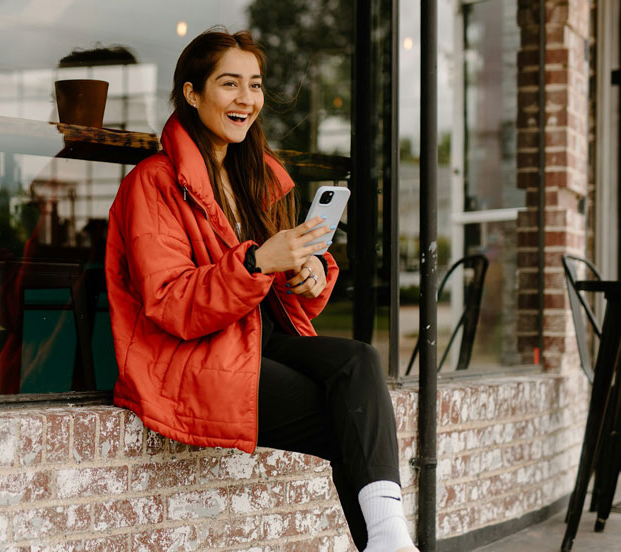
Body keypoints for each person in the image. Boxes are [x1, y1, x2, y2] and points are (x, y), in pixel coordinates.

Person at [105, 27, 418, 552]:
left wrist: (307, 274)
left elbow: (280, 290)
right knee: (355, 425)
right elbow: (170, 302)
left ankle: (390, 545)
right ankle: (391, 544)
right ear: (192, 93)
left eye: (254, 85)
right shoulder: (153, 182)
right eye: (230, 84)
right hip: (193, 354)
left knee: (359, 360)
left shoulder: (259, 178)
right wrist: (255, 261)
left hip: (258, 337)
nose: (246, 99)